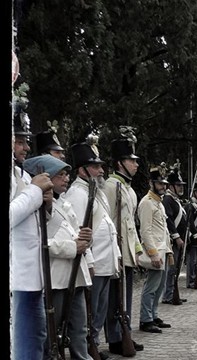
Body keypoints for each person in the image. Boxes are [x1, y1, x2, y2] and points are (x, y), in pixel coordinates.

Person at [23, 154, 93, 360]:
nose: (66, 179)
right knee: (51, 333)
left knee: (79, 329)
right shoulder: (35, 207)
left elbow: (74, 235)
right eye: (60, 175)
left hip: (74, 275)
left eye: (66, 174)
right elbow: (40, 243)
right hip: (55, 278)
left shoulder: (64, 203)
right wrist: (75, 247)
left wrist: (86, 241)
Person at [64, 139, 121, 360]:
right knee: (90, 308)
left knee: (99, 307)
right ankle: (89, 345)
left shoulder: (94, 190)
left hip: (105, 260)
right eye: (96, 166)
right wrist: (89, 261)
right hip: (93, 261)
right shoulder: (77, 194)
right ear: (83, 169)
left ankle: (94, 343)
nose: (101, 170)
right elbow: (78, 231)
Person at [10, 111, 54, 360]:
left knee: (35, 342)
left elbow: (37, 223)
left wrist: (46, 204)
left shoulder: (23, 175)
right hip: (17, 279)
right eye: (19, 141)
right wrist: (35, 193)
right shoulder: (27, 181)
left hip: (32, 277)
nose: (26, 147)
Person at [103, 134, 145, 355]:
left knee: (126, 298)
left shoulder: (128, 189)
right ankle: (115, 337)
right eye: (132, 160)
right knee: (114, 298)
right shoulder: (111, 186)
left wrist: (137, 249)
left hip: (128, 251)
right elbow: (107, 221)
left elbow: (131, 224)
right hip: (116, 251)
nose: (136, 164)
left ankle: (125, 332)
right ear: (120, 163)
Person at [137, 165, 172, 333]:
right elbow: (145, 231)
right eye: (160, 184)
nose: (163, 187)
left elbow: (164, 230)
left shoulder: (159, 203)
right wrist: (153, 253)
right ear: (151, 183)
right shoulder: (146, 203)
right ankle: (145, 319)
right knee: (151, 287)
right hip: (155, 252)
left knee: (159, 287)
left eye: (164, 184)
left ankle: (154, 314)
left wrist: (168, 251)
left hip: (163, 250)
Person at [161, 164, 189, 305]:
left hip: (180, 240)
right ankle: (168, 294)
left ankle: (173, 292)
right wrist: (177, 237)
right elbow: (169, 220)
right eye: (178, 185)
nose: (181, 187)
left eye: (181, 185)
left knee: (176, 268)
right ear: (171, 186)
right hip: (173, 241)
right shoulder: (167, 200)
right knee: (171, 269)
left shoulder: (175, 200)